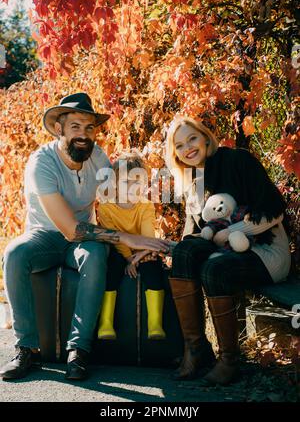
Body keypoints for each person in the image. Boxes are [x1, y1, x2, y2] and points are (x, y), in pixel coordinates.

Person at [0, 93, 169, 381]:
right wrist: (126, 239)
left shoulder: (99, 159)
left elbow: (120, 200)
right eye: (75, 126)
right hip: (46, 236)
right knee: (14, 254)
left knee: (95, 257)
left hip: (85, 239)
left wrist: (144, 236)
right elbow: (68, 229)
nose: (83, 134)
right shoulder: (41, 163)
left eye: (89, 127)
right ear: (59, 129)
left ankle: (79, 350)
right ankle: (27, 348)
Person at [165, 116, 291, 385]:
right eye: (179, 145)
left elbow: (275, 211)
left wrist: (233, 233)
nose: (187, 148)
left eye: (192, 138)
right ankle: (197, 349)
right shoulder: (194, 184)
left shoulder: (237, 161)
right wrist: (155, 247)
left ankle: (229, 360)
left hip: (267, 253)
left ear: (206, 137)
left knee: (214, 268)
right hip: (227, 253)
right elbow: (193, 239)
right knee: (185, 253)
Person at [97, 151, 166, 341]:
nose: (133, 187)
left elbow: (148, 237)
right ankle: (106, 322)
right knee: (112, 266)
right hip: (118, 249)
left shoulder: (145, 206)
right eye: (127, 182)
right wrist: (128, 258)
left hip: (143, 249)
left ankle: (155, 324)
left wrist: (138, 257)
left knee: (153, 266)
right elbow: (113, 237)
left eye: (138, 182)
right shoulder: (106, 207)